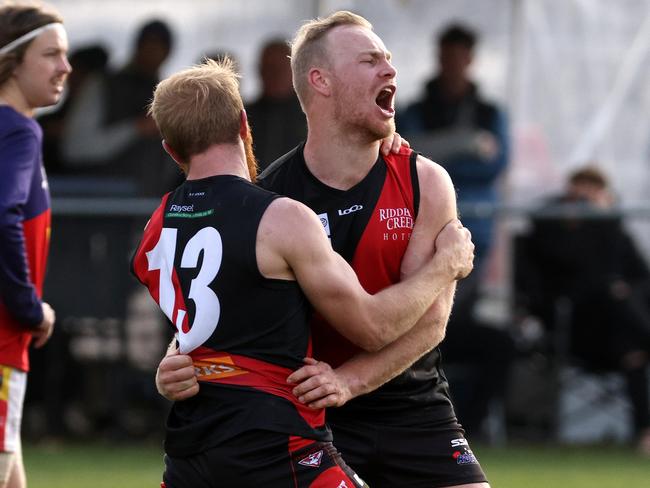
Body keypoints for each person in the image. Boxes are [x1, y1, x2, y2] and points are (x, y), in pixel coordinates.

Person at [157, 11, 490, 488]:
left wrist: (351, 381)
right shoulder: (272, 200)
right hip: (312, 412)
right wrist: (175, 357)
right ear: (321, 81)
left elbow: (431, 321)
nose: (390, 71)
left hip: (412, 407)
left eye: (389, 60)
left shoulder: (424, 180)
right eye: (370, 60)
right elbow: (228, 310)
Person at [400, 23, 512, 440]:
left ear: (469, 59)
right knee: (425, 324)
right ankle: (425, 418)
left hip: (473, 238)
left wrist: (437, 155)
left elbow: (495, 163)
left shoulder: (490, 111)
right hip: (421, 234)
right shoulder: (416, 108)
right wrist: (467, 143)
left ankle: (457, 421)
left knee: (450, 323)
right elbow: (408, 155)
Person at [526, 165, 650, 453]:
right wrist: (600, 222)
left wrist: (607, 221)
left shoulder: (612, 231)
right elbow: (583, 277)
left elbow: (641, 276)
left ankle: (645, 432)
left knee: (632, 351)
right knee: (613, 296)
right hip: (579, 330)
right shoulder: (551, 229)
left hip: (621, 333)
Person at [0, 2, 70, 486]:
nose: (65, 67)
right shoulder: (19, 131)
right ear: (11, 61)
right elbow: (1, 217)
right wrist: (30, 309)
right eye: (51, 54)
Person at [61, 19, 178, 196]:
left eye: (159, 47)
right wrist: (137, 128)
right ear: (137, 46)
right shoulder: (102, 85)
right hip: (96, 202)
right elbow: (76, 148)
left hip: (147, 207)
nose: (152, 53)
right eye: (148, 45)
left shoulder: (170, 96)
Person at [245, 38, 307, 171]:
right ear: (260, 70)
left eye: (281, 68)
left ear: (294, 71)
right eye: (269, 68)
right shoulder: (243, 117)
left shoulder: (312, 116)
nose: (275, 75)